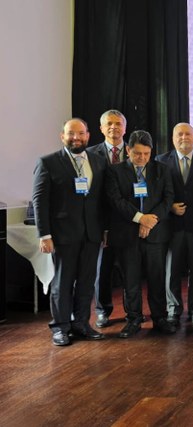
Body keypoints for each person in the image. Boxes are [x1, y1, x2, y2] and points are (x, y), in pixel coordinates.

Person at [32, 118, 108, 346]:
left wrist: (104, 229)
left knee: (86, 282)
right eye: (71, 134)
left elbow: (101, 200)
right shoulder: (48, 162)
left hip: (92, 234)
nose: (77, 138)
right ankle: (61, 327)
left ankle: (81, 323)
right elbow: (39, 200)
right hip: (63, 235)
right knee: (62, 283)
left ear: (88, 135)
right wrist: (44, 235)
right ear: (62, 136)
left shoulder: (98, 161)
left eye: (81, 133)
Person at [106, 130, 177, 338]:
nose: (142, 158)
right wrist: (139, 218)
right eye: (137, 153)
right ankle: (134, 319)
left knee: (157, 277)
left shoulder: (162, 170)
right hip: (127, 234)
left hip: (156, 233)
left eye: (146, 154)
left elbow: (168, 198)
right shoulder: (115, 171)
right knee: (131, 280)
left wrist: (150, 220)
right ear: (128, 151)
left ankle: (160, 318)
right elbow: (116, 200)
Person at [156, 123, 193, 326]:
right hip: (172, 226)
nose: (184, 138)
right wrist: (169, 206)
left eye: (187, 134)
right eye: (179, 134)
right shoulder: (161, 161)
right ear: (173, 138)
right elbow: (157, 193)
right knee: (172, 270)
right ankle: (174, 308)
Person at [86, 109, 127, 329]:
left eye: (118, 123)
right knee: (102, 271)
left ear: (125, 128)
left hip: (130, 222)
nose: (114, 127)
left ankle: (133, 311)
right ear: (101, 128)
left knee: (132, 271)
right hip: (103, 226)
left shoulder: (135, 152)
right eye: (109, 124)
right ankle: (103, 311)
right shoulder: (90, 155)